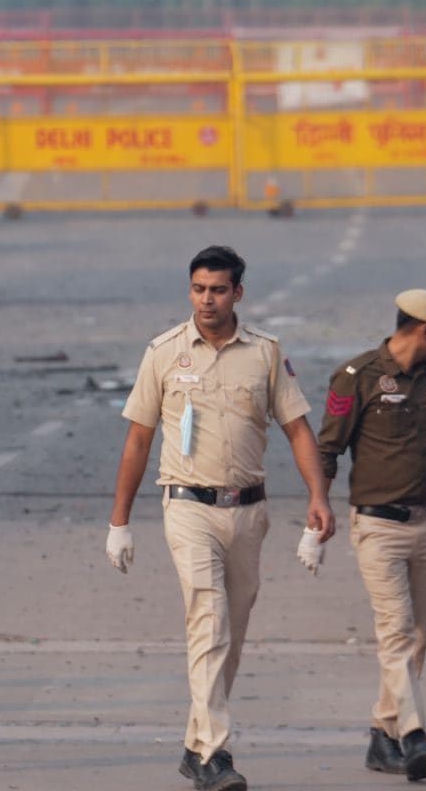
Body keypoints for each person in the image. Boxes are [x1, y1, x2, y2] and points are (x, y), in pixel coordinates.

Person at [105, 245, 334, 791]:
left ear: (238, 293)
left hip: (249, 511)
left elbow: (297, 429)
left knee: (229, 634)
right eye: (199, 289)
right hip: (187, 507)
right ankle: (215, 754)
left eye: (218, 290)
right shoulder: (163, 352)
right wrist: (119, 523)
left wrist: (318, 497)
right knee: (208, 621)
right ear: (190, 290)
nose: (207, 300)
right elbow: (138, 440)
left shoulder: (265, 353)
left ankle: (195, 743)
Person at [317, 289, 426, 782]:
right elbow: (327, 449)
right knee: (397, 631)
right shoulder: (356, 376)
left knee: (416, 637)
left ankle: (383, 735)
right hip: (379, 527)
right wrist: (317, 508)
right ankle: (414, 733)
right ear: (425, 329)